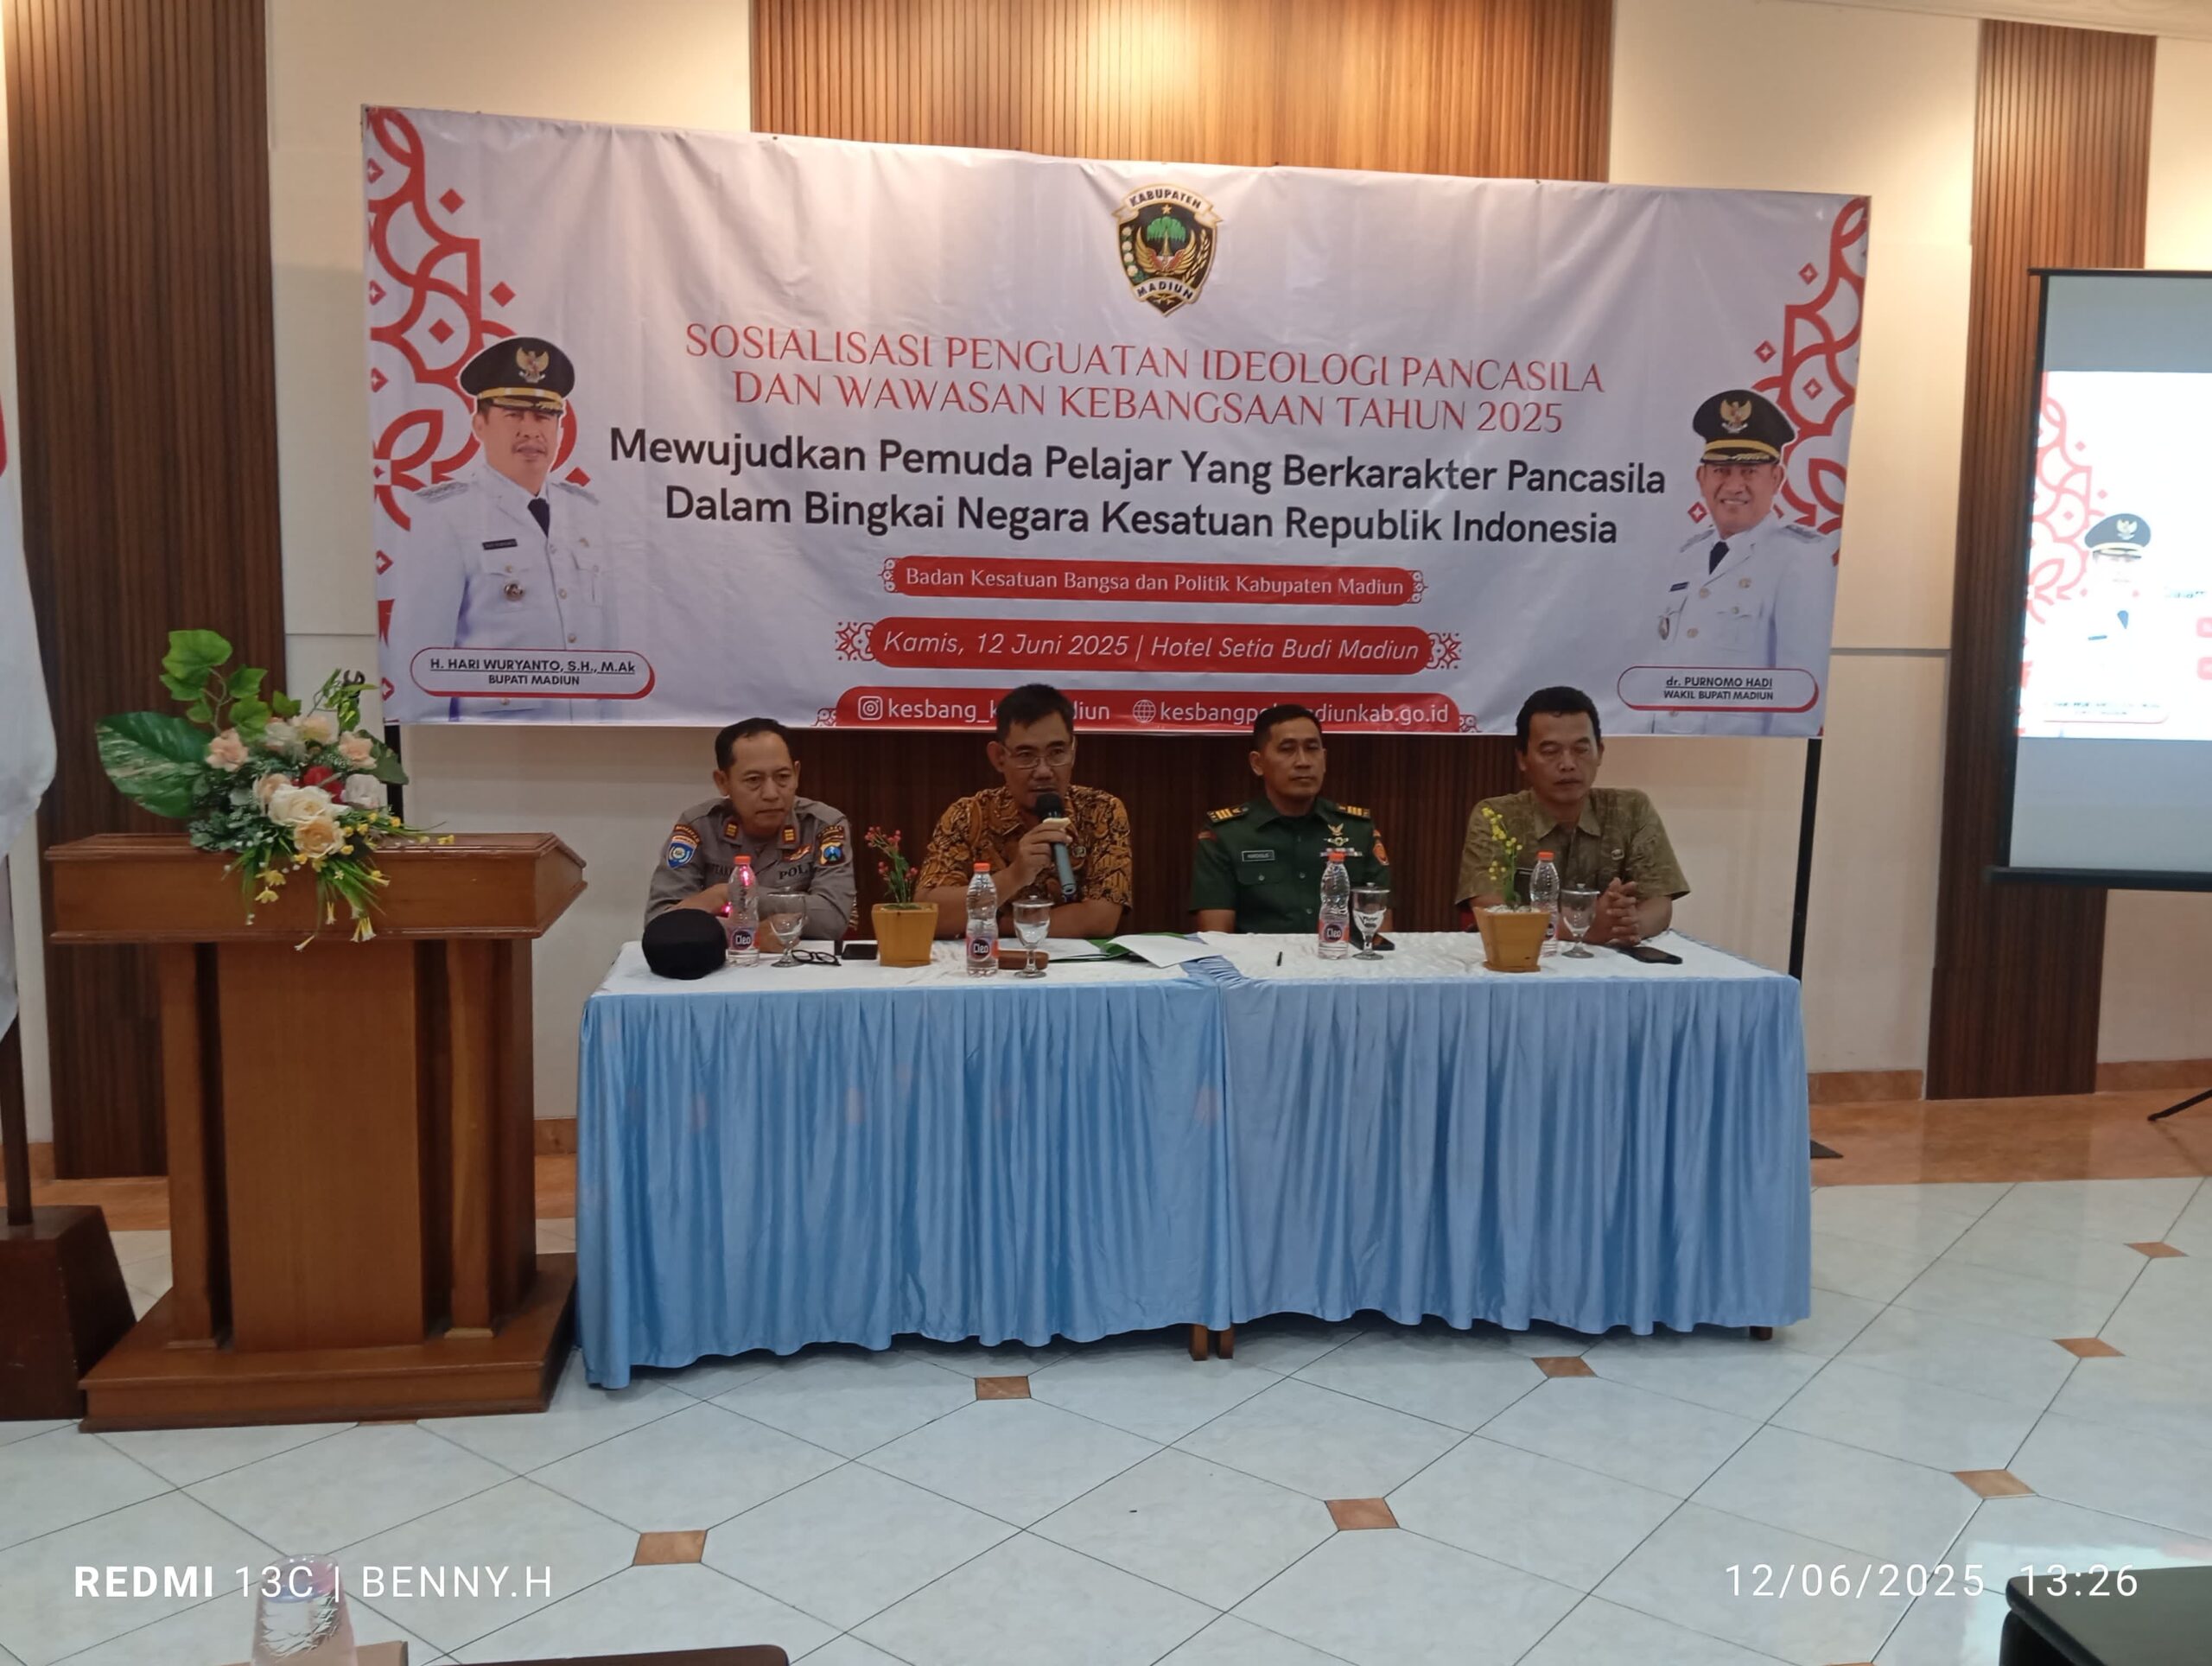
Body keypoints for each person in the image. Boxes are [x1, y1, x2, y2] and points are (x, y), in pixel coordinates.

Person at [385, 335, 614, 719]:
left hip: (587, 736)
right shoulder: (447, 515)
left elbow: (610, 651)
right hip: (494, 739)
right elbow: (422, 661)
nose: (531, 431)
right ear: (480, 424)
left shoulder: (587, 513)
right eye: (513, 415)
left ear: (559, 427)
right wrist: (428, 744)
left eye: (543, 416)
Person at [1646, 387, 1838, 734]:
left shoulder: (1799, 560)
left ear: (1776, 479)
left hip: (1742, 756)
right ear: (1702, 479)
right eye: (1721, 470)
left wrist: (1778, 762)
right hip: (1667, 746)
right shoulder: (1687, 557)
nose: (1734, 486)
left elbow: (1799, 697)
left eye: (1749, 471)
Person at [1456, 686, 1688, 944]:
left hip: (1609, 960)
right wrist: (1582, 928)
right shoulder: (1496, 816)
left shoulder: (1632, 809)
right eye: (1550, 751)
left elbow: (1659, 901)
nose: (1568, 764)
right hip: (1521, 959)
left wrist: (1632, 925)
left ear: (1600, 752)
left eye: (1581, 749)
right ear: (1522, 759)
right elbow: (1489, 906)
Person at [915, 684, 1132, 938]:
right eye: (1026, 755)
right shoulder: (967, 815)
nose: (1043, 771)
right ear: (999, 757)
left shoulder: (1102, 811)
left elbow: (1100, 920)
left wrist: (994, 925)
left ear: (1073, 752)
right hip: (988, 959)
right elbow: (929, 914)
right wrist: (1014, 876)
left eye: (1057, 753)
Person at [645, 717, 855, 941]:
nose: (771, 794)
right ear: (723, 782)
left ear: (797, 774)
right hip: (724, 962)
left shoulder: (824, 825)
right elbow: (659, 922)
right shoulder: (699, 826)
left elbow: (833, 919)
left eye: (783, 777)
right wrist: (748, 935)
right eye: (754, 780)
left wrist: (730, 894)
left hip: (800, 960)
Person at [1189, 704, 1390, 933]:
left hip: (1341, 955)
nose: (1303, 761)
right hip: (1258, 957)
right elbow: (1216, 937)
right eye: (1287, 750)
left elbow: (1378, 933)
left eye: (1312, 749)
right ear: (1257, 763)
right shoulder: (1227, 835)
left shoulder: (1358, 830)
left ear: (1324, 759)